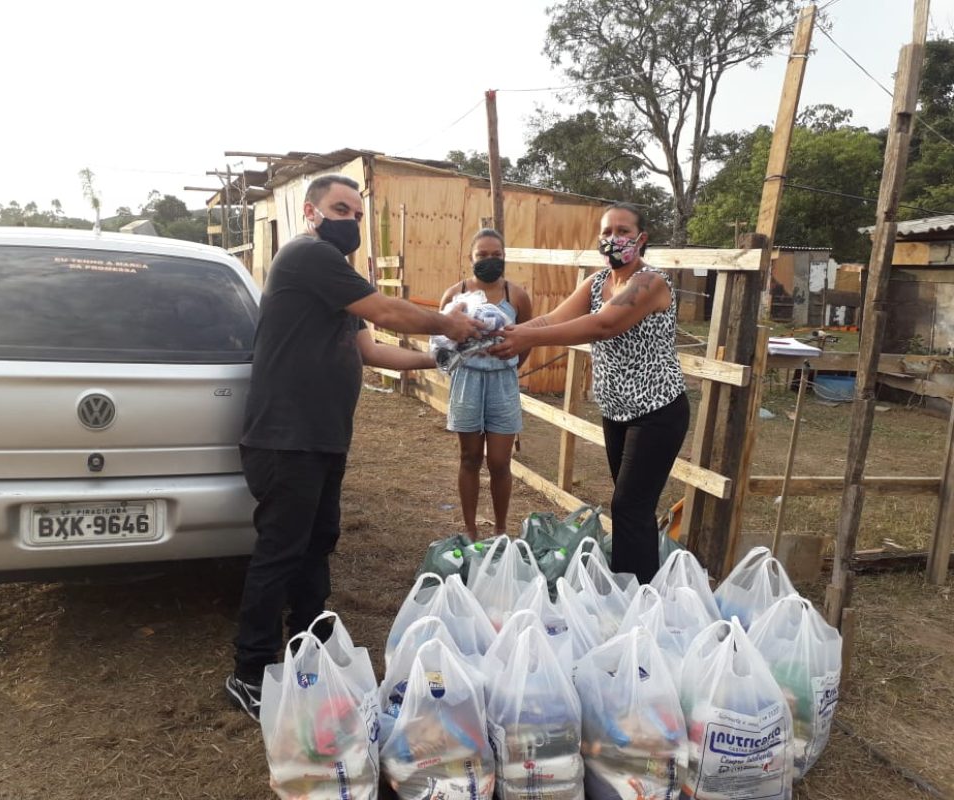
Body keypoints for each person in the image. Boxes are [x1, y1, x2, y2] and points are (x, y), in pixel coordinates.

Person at [226, 174, 483, 720]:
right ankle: (249, 671)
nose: (353, 221)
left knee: (318, 543)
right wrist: (450, 324)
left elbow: (370, 348)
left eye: (359, 214)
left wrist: (438, 358)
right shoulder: (306, 257)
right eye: (342, 208)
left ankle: (306, 646)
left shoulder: (335, 281)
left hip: (322, 437)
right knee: (280, 551)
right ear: (313, 213)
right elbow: (388, 313)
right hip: (285, 439)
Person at [490, 202, 689, 585]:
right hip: (616, 411)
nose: (614, 239)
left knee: (628, 506)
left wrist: (526, 336)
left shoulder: (651, 283)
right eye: (608, 232)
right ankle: (644, 592)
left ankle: (629, 596)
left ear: (642, 238)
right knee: (637, 508)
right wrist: (505, 332)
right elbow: (553, 319)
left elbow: (603, 325)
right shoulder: (598, 282)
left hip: (657, 412)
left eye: (624, 231)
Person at [438, 228, 532, 539]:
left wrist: (511, 361)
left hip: (503, 383)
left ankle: (502, 529)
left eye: (496, 255)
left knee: (500, 462)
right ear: (470, 259)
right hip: (467, 381)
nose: (489, 261)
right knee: (470, 457)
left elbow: (526, 339)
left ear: (504, 258)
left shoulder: (516, 296)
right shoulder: (455, 295)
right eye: (482, 255)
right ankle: (470, 528)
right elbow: (441, 339)